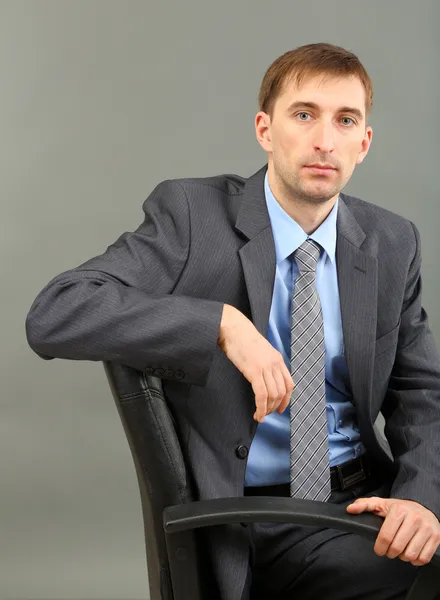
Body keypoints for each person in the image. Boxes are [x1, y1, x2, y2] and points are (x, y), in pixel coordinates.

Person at [25, 42, 440, 600]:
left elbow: (422, 395)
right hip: (252, 515)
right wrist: (221, 323)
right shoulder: (193, 217)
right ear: (265, 130)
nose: (324, 140)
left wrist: (420, 497)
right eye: (304, 115)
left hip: (363, 502)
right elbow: (56, 312)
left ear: (363, 143)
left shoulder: (392, 243)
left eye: (345, 120)